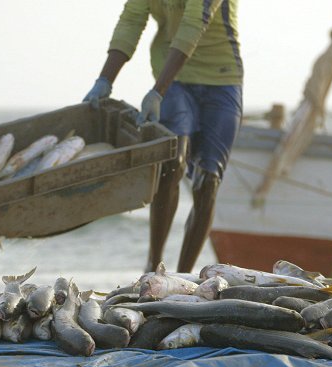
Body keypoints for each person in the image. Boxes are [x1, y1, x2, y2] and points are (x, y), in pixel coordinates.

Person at [84, 0, 243, 273]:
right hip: (175, 80)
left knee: (208, 181)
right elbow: (132, 20)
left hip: (221, 79)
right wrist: (105, 80)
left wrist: (157, 91)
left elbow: (194, 24)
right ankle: (153, 266)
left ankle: (183, 277)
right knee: (171, 163)